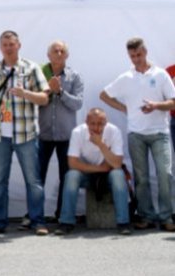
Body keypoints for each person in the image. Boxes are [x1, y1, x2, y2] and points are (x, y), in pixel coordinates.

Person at [0, 30, 50, 236]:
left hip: (25, 133)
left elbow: (45, 98)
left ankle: (37, 221)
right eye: (5, 45)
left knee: (33, 180)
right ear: (0, 47)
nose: (9, 48)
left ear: (19, 45)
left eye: (12, 44)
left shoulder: (31, 68)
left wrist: (25, 93)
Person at [100, 37, 175, 231]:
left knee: (165, 174)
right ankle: (146, 215)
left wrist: (157, 105)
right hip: (136, 133)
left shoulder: (160, 75)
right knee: (140, 177)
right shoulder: (126, 77)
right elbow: (104, 95)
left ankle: (167, 216)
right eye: (132, 56)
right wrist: (124, 108)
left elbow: (173, 102)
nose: (136, 59)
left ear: (146, 52)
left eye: (139, 55)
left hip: (160, 132)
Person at [57, 108, 130, 235]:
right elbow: (72, 163)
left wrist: (101, 144)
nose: (97, 128)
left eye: (101, 124)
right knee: (71, 175)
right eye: (93, 123)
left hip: (108, 175)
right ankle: (66, 222)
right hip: (89, 173)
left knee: (118, 174)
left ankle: (123, 222)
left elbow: (117, 164)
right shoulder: (77, 132)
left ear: (106, 122)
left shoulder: (114, 131)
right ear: (86, 122)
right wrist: (102, 168)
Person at [36, 40, 84, 222]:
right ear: (48, 55)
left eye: (62, 51)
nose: (58, 53)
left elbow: (77, 103)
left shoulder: (75, 76)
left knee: (67, 177)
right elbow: (32, 101)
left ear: (67, 55)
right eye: (54, 51)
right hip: (42, 134)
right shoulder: (39, 75)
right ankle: (35, 215)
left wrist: (60, 92)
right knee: (37, 177)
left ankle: (63, 216)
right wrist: (47, 91)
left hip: (66, 135)